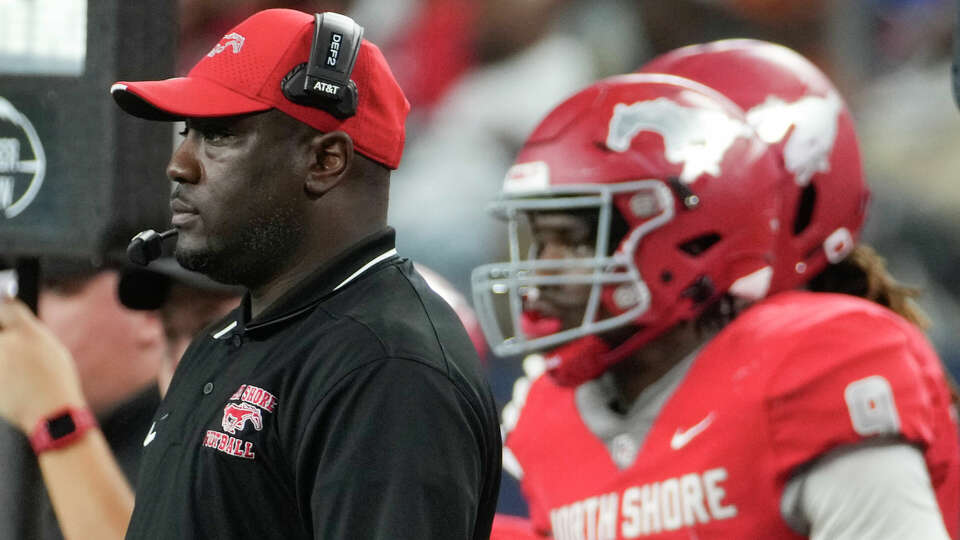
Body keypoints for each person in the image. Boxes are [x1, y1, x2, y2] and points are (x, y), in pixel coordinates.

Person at [474, 45, 959, 539]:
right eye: (542, 241)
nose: (544, 272)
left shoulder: (821, 361)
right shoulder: (552, 406)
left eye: (576, 240)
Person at [106, 8, 499, 539]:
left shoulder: (386, 366)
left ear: (326, 161)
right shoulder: (222, 340)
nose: (179, 164)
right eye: (187, 130)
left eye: (218, 136)